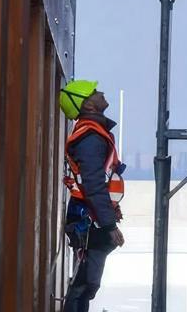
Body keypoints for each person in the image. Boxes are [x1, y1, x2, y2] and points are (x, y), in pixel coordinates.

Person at [60, 80, 126, 312]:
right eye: (95, 92)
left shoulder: (94, 134)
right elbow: (93, 184)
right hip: (88, 217)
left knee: (86, 283)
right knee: (84, 283)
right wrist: (108, 225)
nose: (102, 92)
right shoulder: (90, 138)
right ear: (88, 106)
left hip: (89, 214)